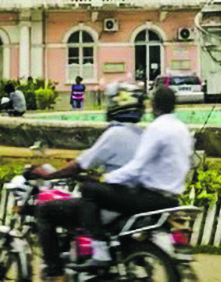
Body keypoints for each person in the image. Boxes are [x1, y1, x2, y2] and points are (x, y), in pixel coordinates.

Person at [27, 83, 144, 282]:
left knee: (45, 211)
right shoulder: (142, 135)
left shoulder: (114, 134)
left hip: (111, 205)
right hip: (132, 201)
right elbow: (118, 172)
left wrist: (48, 175)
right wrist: (90, 178)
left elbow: (79, 164)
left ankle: (55, 274)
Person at [76, 85, 193, 268]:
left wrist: (105, 178)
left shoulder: (156, 128)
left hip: (149, 198)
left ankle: (100, 251)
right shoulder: (182, 129)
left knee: (89, 191)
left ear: (154, 105)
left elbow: (136, 167)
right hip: (173, 199)